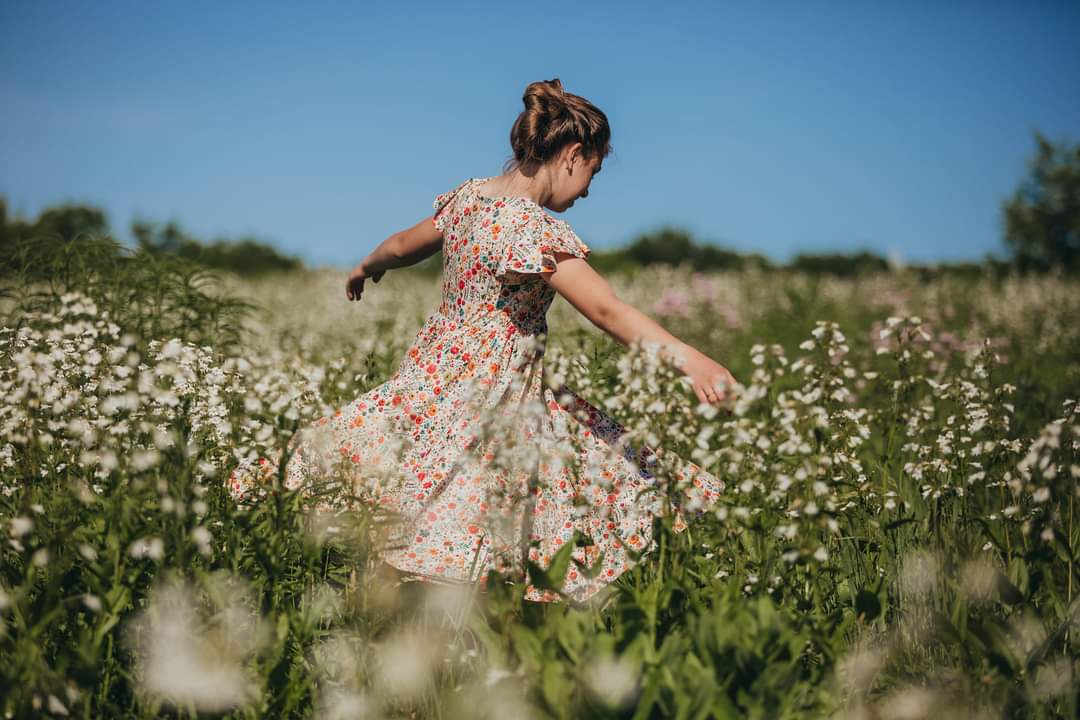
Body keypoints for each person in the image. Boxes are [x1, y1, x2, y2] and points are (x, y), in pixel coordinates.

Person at [228, 78, 737, 605]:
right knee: (521, 493)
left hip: (432, 374)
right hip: (495, 389)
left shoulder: (467, 199)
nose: (587, 190)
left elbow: (404, 245)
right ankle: (463, 626)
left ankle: (405, 607)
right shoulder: (536, 232)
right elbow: (607, 311)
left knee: (411, 473)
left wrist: (367, 264)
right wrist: (693, 361)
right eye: (593, 173)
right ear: (573, 155)